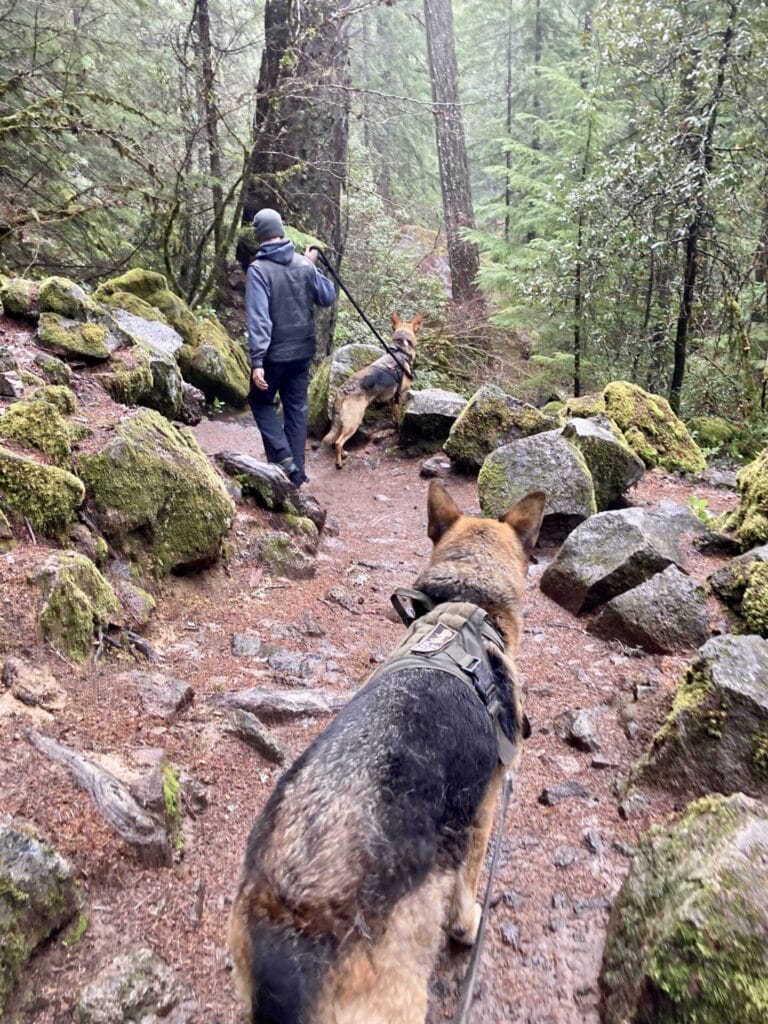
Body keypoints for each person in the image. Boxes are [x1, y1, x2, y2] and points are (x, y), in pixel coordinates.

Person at [246, 208, 335, 486]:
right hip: (303, 352)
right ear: (281, 231)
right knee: (296, 409)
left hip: (274, 355)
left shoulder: (258, 270)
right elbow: (327, 296)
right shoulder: (304, 264)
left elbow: (259, 318)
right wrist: (311, 265)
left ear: (259, 236)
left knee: (260, 402)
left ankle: (283, 459)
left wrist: (257, 361)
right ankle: (296, 476)